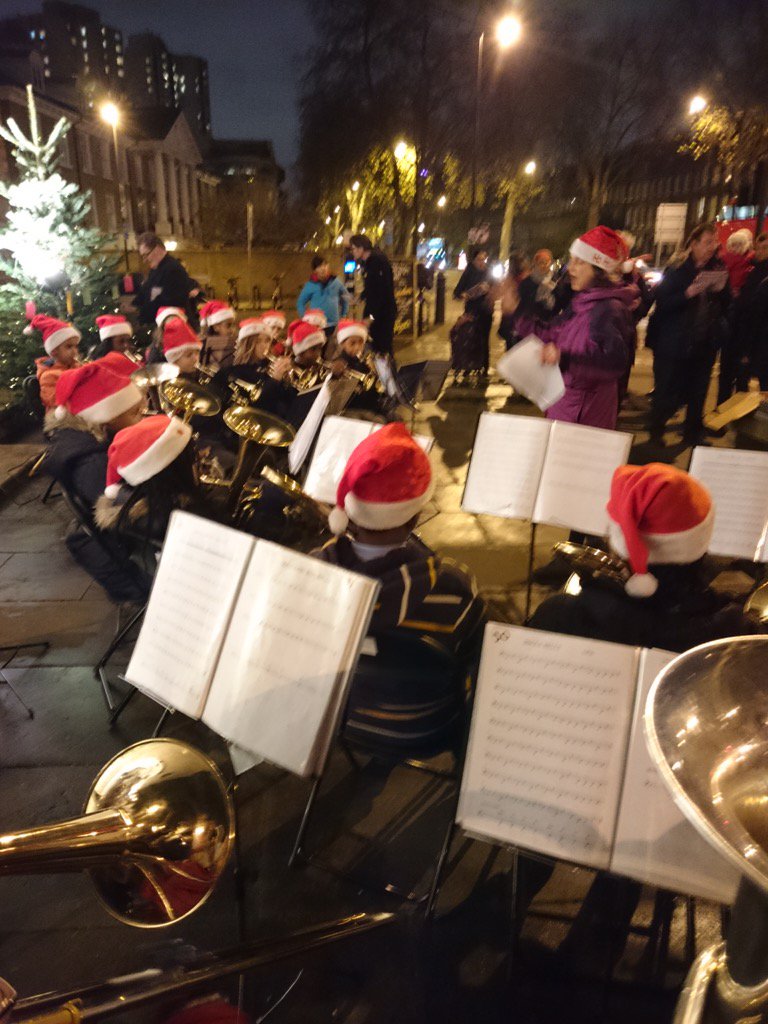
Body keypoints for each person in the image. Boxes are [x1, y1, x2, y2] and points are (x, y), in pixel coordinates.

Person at [527, 463, 764, 969]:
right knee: (643, 793)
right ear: (699, 545)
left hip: (556, 786)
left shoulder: (558, 615)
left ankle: (522, 880)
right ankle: (606, 928)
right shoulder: (729, 645)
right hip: (667, 816)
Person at [313, 423, 486, 749]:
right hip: (423, 728)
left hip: (340, 719)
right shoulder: (454, 588)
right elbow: (477, 663)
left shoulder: (313, 571)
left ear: (349, 512)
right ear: (415, 517)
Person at [510, 226, 636, 430]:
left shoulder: (609, 309)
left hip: (586, 418)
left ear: (599, 268)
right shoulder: (582, 302)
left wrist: (564, 358)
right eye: (571, 261)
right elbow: (552, 332)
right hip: (567, 408)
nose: (570, 268)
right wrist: (518, 314)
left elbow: (613, 364)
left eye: (579, 262)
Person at [43, 360, 148, 602]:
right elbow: (131, 516)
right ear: (105, 420)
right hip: (133, 555)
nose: (141, 419)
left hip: (127, 536)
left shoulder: (90, 441)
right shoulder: (91, 462)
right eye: (135, 414)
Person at [646, 222, 730, 446]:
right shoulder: (677, 268)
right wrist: (687, 293)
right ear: (693, 244)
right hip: (675, 342)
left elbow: (727, 303)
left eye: (714, 242)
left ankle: (693, 433)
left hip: (705, 341)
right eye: (706, 242)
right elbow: (663, 303)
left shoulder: (718, 268)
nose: (711, 247)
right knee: (668, 391)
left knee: (699, 390)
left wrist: (721, 292)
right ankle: (656, 431)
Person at [95, 414, 201, 543]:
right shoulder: (178, 520)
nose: (197, 458)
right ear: (172, 468)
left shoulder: (142, 495)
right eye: (190, 455)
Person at [349, 234, 398, 358]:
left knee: (382, 350)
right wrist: (360, 297)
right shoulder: (370, 262)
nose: (352, 252)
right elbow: (372, 287)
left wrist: (371, 317)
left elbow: (381, 293)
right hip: (378, 313)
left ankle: (387, 376)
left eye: (353, 248)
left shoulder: (377, 262)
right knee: (377, 348)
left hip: (382, 315)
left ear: (361, 248)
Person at [135, 232, 198, 327]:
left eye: (146, 255)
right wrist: (134, 305)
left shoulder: (172, 269)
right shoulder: (156, 269)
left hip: (176, 326)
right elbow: (148, 292)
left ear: (157, 249)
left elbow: (170, 302)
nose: (144, 260)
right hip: (163, 323)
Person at [25, 313, 82, 409]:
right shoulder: (49, 375)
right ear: (54, 351)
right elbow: (53, 400)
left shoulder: (77, 366)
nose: (74, 351)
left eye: (75, 346)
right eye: (69, 346)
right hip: (64, 417)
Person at [453, 246, 494, 375]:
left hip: (486, 311)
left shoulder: (489, 272)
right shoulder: (469, 272)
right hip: (471, 311)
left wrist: (490, 291)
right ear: (474, 260)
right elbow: (457, 292)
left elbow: (496, 290)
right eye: (479, 259)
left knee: (484, 338)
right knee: (472, 338)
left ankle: (485, 365)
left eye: (484, 259)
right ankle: (471, 366)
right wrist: (464, 295)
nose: (482, 262)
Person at [738, 232, 768, 390]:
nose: (761, 252)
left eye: (765, 248)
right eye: (759, 248)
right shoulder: (753, 271)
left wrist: (747, 349)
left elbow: (755, 313)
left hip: (760, 341)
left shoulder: (760, 276)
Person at [297, 255, 350, 336]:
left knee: (332, 347)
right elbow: (300, 303)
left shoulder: (336, 282)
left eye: (325, 265)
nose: (323, 268)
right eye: (319, 266)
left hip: (334, 325)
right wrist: (306, 319)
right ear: (315, 270)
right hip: (316, 326)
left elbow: (345, 297)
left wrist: (344, 315)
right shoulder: (310, 285)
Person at [198, 300, 236, 372]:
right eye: (228, 325)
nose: (232, 329)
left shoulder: (202, 345)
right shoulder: (231, 347)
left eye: (234, 325)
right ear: (216, 327)